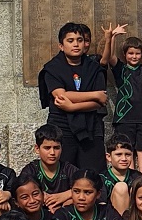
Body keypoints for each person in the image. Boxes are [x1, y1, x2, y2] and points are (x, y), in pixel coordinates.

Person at [37, 22, 108, 173]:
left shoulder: (94, 68)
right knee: (63, 172)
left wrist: (72, 106)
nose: (76, 44)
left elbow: (99, 103)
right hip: (62, 125)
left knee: (92, 174)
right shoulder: (52, 69)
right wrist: (94, 94)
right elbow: (61, 96)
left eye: (79, 40)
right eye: (70, 40)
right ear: (61, 46)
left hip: (91, 126)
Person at [101, 23, 142, 175]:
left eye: (137, 53)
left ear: (141, 54)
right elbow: (110, 57)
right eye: (130, 53)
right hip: (125, 118)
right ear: (125, 54)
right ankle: (129, 179)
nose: (134, 56)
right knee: (126, 149)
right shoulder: (121, 69)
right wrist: (113, 37)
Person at [20, 124, 79, 210]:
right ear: (37, 149)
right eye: (47, 148)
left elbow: (89, 188)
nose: (52, 152)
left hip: (64, 213)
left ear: (62, 148)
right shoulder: (30, 170)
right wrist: (41, 196)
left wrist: (65, 196)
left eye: (56, 148)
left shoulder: (69, 169)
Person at [101, 134, 136, 214]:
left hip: (135, 217)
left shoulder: (138, 177)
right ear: (109, 157)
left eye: (128, 155)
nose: (124, 159)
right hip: (111, 219)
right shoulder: (101, 179)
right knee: (121, 188)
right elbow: (101, 207)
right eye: (119, 154)